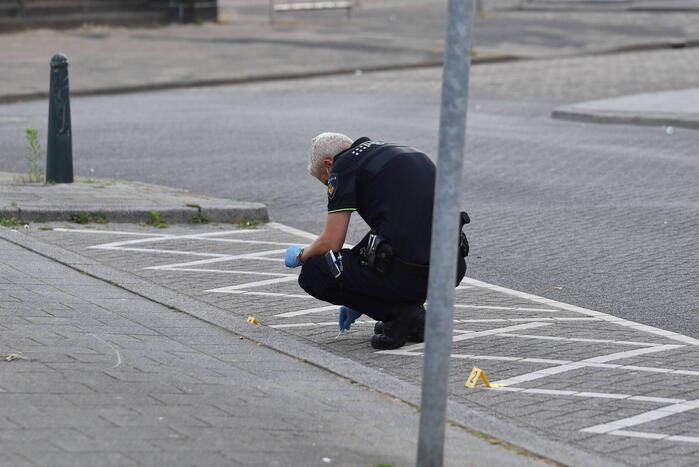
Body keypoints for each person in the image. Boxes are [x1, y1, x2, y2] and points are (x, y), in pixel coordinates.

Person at [284, 132, 468, 350]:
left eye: (325, 182)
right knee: (386, 252)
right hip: (451, 269)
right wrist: (359, 300)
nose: (328, 187)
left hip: (411, 272)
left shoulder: (343, 165)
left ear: (328, 164)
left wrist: (300, 255)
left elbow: (331, 243)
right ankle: (413, 319)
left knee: (316, 271)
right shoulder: (402, 151)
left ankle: (402, 315)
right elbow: (392, 229)